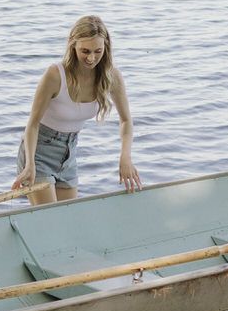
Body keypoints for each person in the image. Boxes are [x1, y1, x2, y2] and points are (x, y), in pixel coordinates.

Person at [13, 15, 139, 205]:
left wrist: (125, 157)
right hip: (39, 151)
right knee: (51, 219)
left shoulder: (112, 76)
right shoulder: (55, 75)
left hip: (69, 153)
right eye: (85, 51)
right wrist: (30, 164)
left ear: (106, 46)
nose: (91, 58)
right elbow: (33, 123)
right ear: (73, 45)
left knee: (67, 220)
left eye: (98, 51)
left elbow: (126, 121)